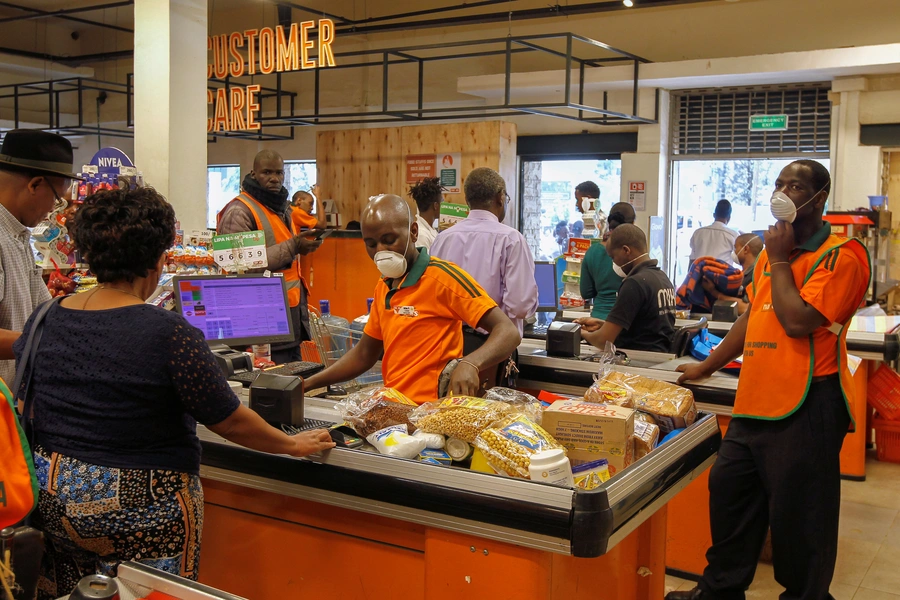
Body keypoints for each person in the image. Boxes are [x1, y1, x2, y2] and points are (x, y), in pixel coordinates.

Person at [19, 187, 335, 600]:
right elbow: (230, 420)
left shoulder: (46, 317)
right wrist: (291, 444)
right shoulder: (168, 332)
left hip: (55, 501)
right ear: (157, 260)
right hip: (142, 508)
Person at [669, 160, 870, 600]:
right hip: (755, 402)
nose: (782, 192)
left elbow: (797, 321)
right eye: (779, 183)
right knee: (730, 498)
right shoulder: (765, 259)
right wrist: (707, 365)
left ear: (819, 199)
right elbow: (754, 318)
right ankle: (720, 592)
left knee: (801, 522)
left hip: (808, 405)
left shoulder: (842, 256)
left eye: (795, 185)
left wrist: (778, 259)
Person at [303, 194, 520, 403]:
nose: (381, 251)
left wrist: (471, 363)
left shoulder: (442, 278)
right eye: (371, 244)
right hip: (395, 410)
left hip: (433, 414)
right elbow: (364, 355)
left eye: (389, 240)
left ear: (413, 232)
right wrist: (310, 383)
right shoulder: (384, 285)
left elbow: (507, 332)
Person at [217, 150, 322, 364]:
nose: (275, 178)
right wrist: (294, 246)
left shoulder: (281, 208)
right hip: (259, 323)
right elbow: (239, 266)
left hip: (289, 317)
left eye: (279, 172)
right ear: (253, 174)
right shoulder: (239, 211)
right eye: (267, 172)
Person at [0, 130, 77, 385]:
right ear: (35, 184)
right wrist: (45, 343)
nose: (52, 211)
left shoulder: (18, 235)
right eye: (57, 201)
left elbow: (43, 309)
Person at [430, 167, 538, 336]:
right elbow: (520, 306)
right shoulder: (511, 239)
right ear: (501, 197)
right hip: (493, 347)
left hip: (447, 343)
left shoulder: (442, 239)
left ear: (467, 200)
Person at [575, 224, 676, 353]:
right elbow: (644, 328)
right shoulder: (661, 278)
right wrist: (603, 325)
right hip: (659, 356)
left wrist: (580, 332)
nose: (614, 264)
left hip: (638, 361)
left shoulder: (634, 283)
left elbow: (603, 341)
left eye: (613, 257)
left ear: (626, 250)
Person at [580, 202, 636, 320]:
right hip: (626, 321)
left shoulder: (593, 251)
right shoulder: (634, 252)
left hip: (597, 320)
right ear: (633, 224)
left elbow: (586, 293)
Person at [700, 233, 763, 315]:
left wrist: (714, 292)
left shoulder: (755, 274)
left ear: (746, 249)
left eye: (736, 247)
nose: (734, 252)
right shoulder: (740, 274)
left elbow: (745, 308)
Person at [689, 199, 738, 263]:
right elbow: (739, 259)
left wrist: (690, 273)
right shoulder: (733, 235)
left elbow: (692, 259)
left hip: (700, 272)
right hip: (722, 272)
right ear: (729, 218)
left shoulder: (698, 233)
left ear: (714, 215)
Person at [408, 177, 445, 250]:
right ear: (435, 206)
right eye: (442, 202)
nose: (443, 206)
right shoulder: (421, 234)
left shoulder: (431, 230)